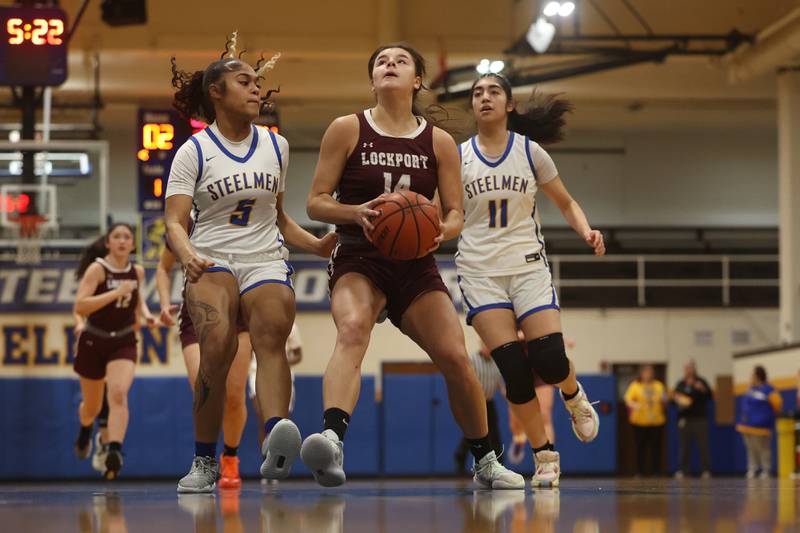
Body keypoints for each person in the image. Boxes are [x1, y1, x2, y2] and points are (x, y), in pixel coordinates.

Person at [302, 42, 523, 489]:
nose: (390, 64)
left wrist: (443, 230)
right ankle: (333, 439)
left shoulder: (439, 142)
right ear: (372, 80)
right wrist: (357, 212)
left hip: (416, 263)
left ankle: (486, 461)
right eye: (381, 61)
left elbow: (457, 212)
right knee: (352, 331)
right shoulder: (346, 129)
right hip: (360, 256)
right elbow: (316, 202)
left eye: (401, 61)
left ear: (417, 80)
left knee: (457, 357)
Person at [166, 35, 337, 493]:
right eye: (244, 82)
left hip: (264, 256)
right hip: (212, 256)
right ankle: (204, 460)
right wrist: (187, 255)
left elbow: (278, 218)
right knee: (217, 346)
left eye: (258, 83)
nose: (256, 89)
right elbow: (174, 222)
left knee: (272, 329)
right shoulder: (193, 151)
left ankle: (277, 435)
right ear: (216, 92)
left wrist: (317, 245)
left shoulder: (276, 148)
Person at [456, 73, 602, 485]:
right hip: (480, 272)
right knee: (514, 373)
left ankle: (574, 397)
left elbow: (566, 201)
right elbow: (448, 215)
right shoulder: (458, 156)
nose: (485, 97)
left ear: (509, 105)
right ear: (473, 105)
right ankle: (544, 457)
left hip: (526, 265)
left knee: (550, 359)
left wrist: (586, 230)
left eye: (494, 91)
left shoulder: (530, 152)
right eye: (477, 93)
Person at [155, 226, 253, 489]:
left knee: (234, 395)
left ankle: (230, 457)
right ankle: (204, 459)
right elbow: (163, 268)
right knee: (205, 388)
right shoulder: (184, 221)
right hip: (197, 312)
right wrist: (164, 303)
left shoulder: (244, 211)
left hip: (238, 312)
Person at [72, 223, 156, 479]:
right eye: (116, 236)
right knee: (93, 408)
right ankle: (86, 429)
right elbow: (81, 306)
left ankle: (114, 450)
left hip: (123, 340)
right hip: (93, 340)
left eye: (127, 237)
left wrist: (147, 315)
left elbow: (136, 300)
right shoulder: (97, 269)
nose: (122, 240)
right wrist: (114, 293)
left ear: (132, 244)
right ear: (108, 243)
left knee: (118, 393)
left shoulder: (137, 271)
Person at [249, 322, 303, 447]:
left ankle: (281, 461)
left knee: (283, 424)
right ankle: (266, 460)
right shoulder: (254, 322)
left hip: (282, 376)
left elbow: (298, 354)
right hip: (257, 373)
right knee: (263, 420)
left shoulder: (291, 325)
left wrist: (281, 363)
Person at [736, 365, 783, 479]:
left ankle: (766, 470)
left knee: (764, 450)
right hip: (747, 426)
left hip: (761, 426)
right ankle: (752, 469)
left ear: (758, 376)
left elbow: (778, 404)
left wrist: (764, 416)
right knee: (751, 449)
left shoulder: (768, 389)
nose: (751, 377)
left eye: (753, 375)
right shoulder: (750, 390)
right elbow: (744, 405)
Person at [624, 364, 666, 477]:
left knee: (656, 447)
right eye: (646, 371)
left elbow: (664, 400)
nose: (649, 374)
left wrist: (664, 402)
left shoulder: (659, 386)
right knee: (640, 447)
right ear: (641, 373)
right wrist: (634, 405)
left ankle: (656, 472)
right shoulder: (635, 386)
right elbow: (627, 399)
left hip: (656, 421)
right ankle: (639, 471)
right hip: (639, 422)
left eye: (650, 372)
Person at [672, 360, 712, 479]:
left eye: (691, 367)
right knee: (684, 446)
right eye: (687, 368)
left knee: (703, 445)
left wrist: (702, 389)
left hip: (700, 418)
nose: (689, 370)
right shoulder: (681, 383)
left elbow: (710, 396)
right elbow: (673, 400)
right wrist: (677, 400)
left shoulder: (701, 381)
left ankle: (706, 470)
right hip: (685, 419)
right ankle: (683, 470)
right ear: (684, 370)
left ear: (694, 369)